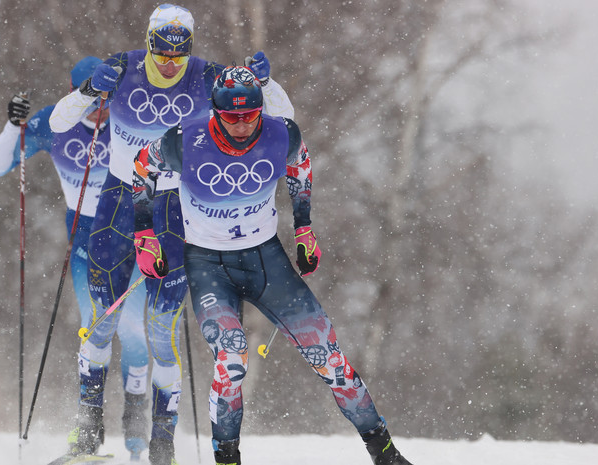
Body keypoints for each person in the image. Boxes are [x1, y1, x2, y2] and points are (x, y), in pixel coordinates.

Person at [131, 66, 415, 465]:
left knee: (327, 353)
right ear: (215, 111)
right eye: (232, 117)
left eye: (251, 116)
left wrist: (304, 229)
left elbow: (300, 168)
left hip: (265, 259)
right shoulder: (185, 139)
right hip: (208, 263)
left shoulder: (282, 133)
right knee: (232, 360)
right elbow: (142, 170)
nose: (243, 126)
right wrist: (144, 235)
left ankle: (384, 451)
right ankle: (227, 459)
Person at [49, 5, 294, 465]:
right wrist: (89, 91)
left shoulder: (208, 77)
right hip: (118, 203)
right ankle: (87, 433)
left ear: (190, 48)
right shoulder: (121, 67)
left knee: (162, 332)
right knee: (101, 320)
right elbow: (62, 122)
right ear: (148, 41)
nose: (168, 60)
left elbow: (283, 117)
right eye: (161, 47)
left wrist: (267, 83)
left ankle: (163, 444)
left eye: (179, 51)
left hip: (174, 211)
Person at [0, 57, 152, 461]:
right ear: (76, 92)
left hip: (135, 235)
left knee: (131, 327)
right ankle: (89, 432)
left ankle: (137, 433)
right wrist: (13, 125)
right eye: (93, 100)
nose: (102, 109)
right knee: (94, 327)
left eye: (108, 100)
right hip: (86, 239)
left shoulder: (130, 117)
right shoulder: (55, 123)